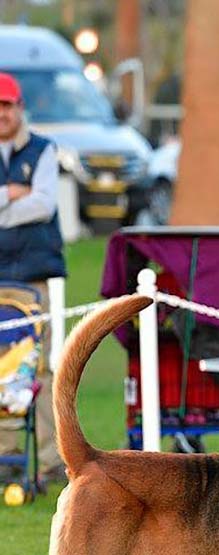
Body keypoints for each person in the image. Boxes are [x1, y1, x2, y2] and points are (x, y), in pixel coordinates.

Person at [0, 72, 66, 483]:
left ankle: (51, 460)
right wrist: (12, 193)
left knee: (41, 367)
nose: (2, 114)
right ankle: (6, 459)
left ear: (20, 107)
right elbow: (27, 200)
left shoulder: (43, 149)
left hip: (37, 275)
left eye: (8, 105)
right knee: (3, 368)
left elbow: (43, 205)